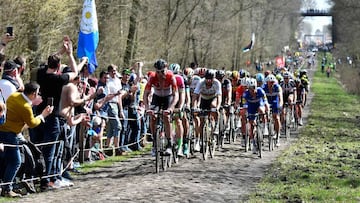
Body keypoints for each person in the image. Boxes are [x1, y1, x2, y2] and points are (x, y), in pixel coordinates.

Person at [33, 35, 82, 191]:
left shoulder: (40, 73)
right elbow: (75, 72)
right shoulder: (59, 79)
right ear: (59, 66)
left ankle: (45, 178)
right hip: (52, 116)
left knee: (40, 147)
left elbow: (51, 61)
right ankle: (48, 181)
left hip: (38, 114)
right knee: (51, 149)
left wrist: (61, 51)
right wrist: (70, 54)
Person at [0, 82, 53, 198]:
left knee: (6, 160)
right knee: (15, 161)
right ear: (34, 94)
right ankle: (7, 188)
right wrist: (43, 115)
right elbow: (32, 123)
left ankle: (7, 185)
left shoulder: (14, 96)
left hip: (3, 129)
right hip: (10, 133)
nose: (39, 95)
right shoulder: (25, 106)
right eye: (38, 93)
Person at [143, 59, 179, 155]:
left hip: (168, 97)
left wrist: (171, 108)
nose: (160, 74)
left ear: (166, 69)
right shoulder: (152, 77)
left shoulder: (170, 76)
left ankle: (169, 144)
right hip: (157, 97)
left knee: (166, 117)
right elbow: (145, 94)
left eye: (162, 71)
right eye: (158, 72)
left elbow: (176, 95)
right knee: (152, 116)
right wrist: (147, 108)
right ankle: (155, 143)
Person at [192, 69, 222, 151]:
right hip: (204, 100)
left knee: (213, 107)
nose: (208, 81)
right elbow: (195, 95)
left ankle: (215, 126)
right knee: (201, 121)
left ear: (214, 78)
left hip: (213, 98)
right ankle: (200, 140)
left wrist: (218, 107)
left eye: (210, 79)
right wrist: (194, 107)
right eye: (207, 79)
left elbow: (219, 97)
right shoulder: (201, 82)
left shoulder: (217, 83)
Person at [243, 78, 268, 154]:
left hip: (259, 104)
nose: (252, 90)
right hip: (251, 106)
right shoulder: (246, 94)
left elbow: (265, 101)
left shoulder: (260, 91)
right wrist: (245, 113)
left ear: (256, 87)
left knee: (262, 110)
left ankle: (265, 126)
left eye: (254, 87)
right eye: (250, 88)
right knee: (251, 123)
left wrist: (267, 109)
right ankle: (253, 142)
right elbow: (244, 105)